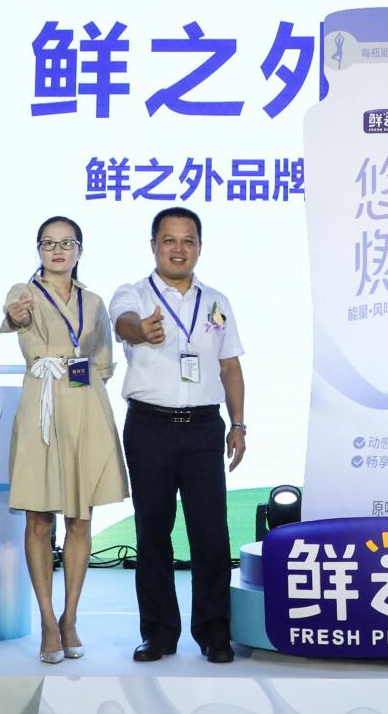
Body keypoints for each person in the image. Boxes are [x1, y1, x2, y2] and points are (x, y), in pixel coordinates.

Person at [109, 207, 246, 664]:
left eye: (188, 241)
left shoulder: (216, 301)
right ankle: (159, 634)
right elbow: (123, 322)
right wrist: (141, 331)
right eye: (169, 240)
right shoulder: (133, 293)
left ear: (199, 247)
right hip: (149, 428)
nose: (178, 249)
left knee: (212, 534)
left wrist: (239, 424)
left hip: (205, 428)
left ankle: (214, 633)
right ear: (154, 245)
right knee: (152, 532)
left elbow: (230, 367)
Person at [1, 216, 129, 664]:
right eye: (48, 243)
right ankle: (46, 620)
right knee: (38, 518)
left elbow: (104, 360)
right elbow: (13, 316)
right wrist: (16, 317)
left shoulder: (93, 301)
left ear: (79, 250)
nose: (57, 251)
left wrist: (84, 387)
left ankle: (70, 618)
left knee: (81, 516)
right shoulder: (24, 292)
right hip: (41, 401)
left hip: (84, 403)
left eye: (66, 243)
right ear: (38, 249)